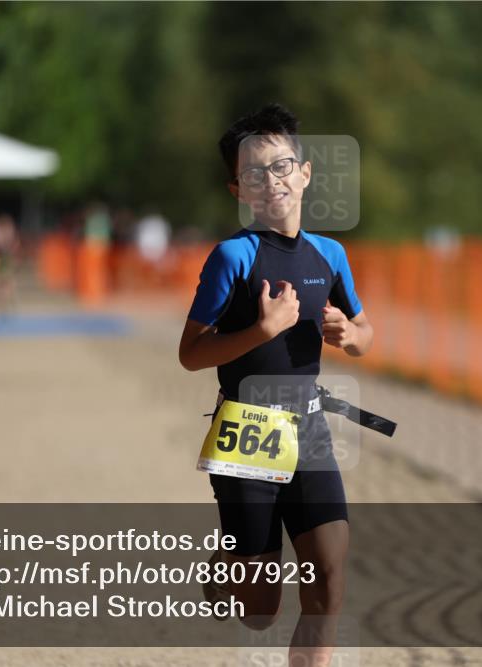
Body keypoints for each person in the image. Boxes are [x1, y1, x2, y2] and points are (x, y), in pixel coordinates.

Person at [178, 104, 374, 667]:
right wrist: (263, 329)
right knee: (260, 610)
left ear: (305, 172)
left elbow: (365, 332)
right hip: (245, 426)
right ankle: (226, 571)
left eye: (282, 166)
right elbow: (191, 354)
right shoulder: (231, 257)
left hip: (308, 425)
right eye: (256, 173)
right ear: (239, 189)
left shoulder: (330, 254)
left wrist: (349, 335)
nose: (273, 181)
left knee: (329, 581)